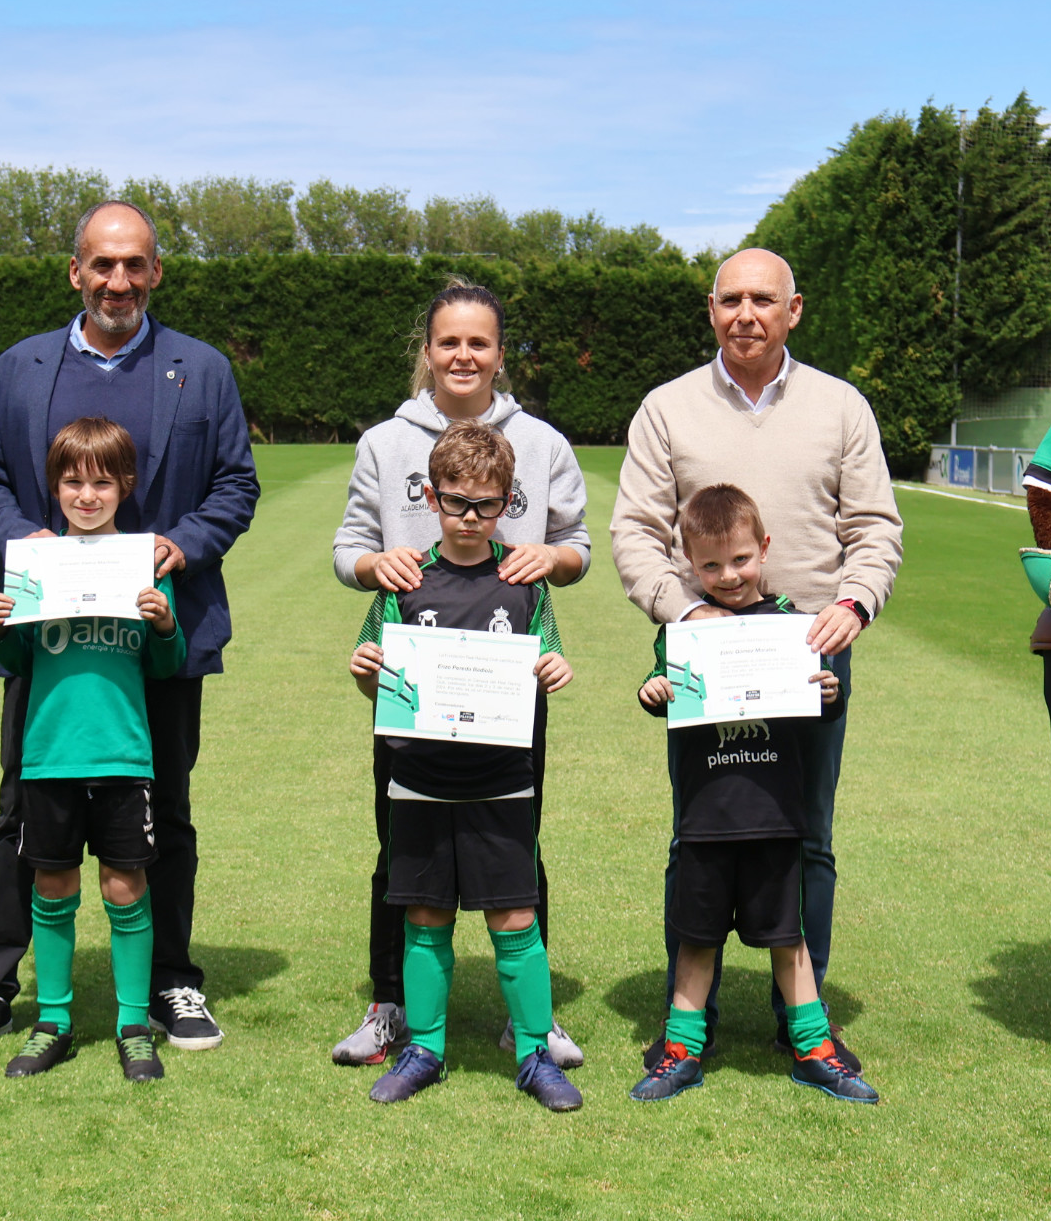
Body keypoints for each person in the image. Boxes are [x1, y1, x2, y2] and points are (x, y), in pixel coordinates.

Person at [0, 200, 259, 1055]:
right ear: (76, 271)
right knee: (22, 808)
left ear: (155, 272)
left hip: (162, 628)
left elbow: (235, 487)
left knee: (168, 812)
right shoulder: (18, 367)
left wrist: (177, 547)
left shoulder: (204, 368)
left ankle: (173, 981)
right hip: (47, 637)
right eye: (102, 264)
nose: (119, 280)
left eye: (135, 265)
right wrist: (20, 541)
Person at [610, 248, 901, 1070]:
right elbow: (634, 529)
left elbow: (874, 527)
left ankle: (799, 1015)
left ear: (794, 310)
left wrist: (852, 604)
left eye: (762, 300)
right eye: (731, 299)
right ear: (711, 309)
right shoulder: (666, 409)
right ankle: (685, 1019)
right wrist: (684, 611)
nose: (746, 313)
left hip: (809, 647)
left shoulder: (840, 407)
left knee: (807, 836)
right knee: (697, 833)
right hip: (702, 646)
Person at [329, 278, 590, 1070]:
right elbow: (347, 548)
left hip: (505, 673)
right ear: (429, 350)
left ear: (499, 353)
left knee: (516, 836)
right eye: (450, 342)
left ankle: (526, 1021)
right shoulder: (385, 440)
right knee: (398, 843)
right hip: (416, 676)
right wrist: (378, 562)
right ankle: (391, 1005)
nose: (464, 355)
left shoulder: (540, 442)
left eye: (480, 342)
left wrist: (555, 557)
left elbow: (577, 542)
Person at [347, 422, 581, 1111]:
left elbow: (548, 653)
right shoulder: (405, 577)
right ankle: (424, 1046)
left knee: (514, 917)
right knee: (425, 916)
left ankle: (536, 1052)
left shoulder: (523, 580)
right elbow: (375, 671)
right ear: (433, 498)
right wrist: (365, 673)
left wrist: (553, 665)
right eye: (457, 502)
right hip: (418, 778)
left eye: (486, 504)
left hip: (502, 781)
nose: (471, 517)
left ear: (509, 502)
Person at [624, 484, 876, 1105]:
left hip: (775, 814)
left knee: (787, 940)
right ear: (689, 564)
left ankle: (813, 1048)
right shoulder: (681, 632)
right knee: (697, 938)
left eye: (740, 560)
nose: (728, 575)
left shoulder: (794, 623)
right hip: (708, 816)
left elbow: (819, 703)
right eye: (709, 565)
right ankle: (680, 1051)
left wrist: (826, 693)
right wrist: (653, 692)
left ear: (763, 549)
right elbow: (662, 685)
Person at [0, 418, 185, 1083]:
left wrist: (164, 624)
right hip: (49, 755)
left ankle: (132, 1022)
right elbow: (17, 658)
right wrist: (0, 625)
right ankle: (55, 1020)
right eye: (73, 481)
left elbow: (166, 664)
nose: (87, 495)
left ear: (125, 485)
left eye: (102, 481)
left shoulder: (143, 560)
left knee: (125, 884)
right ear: (55, 485)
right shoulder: (36, 559)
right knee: (51, 881)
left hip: (123, 754)